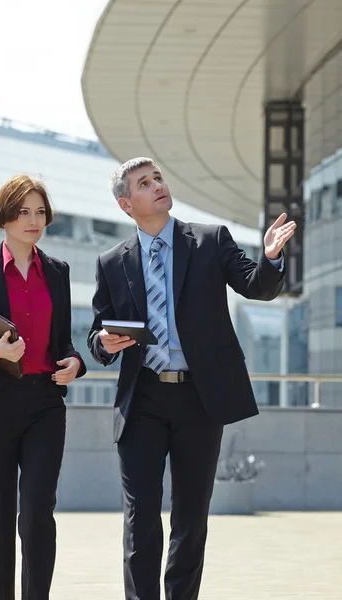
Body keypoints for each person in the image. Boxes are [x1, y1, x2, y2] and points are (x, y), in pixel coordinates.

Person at [87, 157, 296, 600]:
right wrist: (104, 344)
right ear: (127, 204)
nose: (157, 184)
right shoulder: (111, 261)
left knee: (190, 517)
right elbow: (99, 331)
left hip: (199, 400)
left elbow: (256, 285)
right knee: (140, 517)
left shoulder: (208, 240)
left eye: (158, 177)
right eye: (144, 183)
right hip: (141, 398)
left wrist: (271, 257)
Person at [0, 174, 86, 600]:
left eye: (40, 211)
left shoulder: (58, 272)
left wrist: (75, 364)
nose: (33, 220)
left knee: (38, 517)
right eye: (23, 211)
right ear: (4, 216)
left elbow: (63, 342)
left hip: (45, 403)